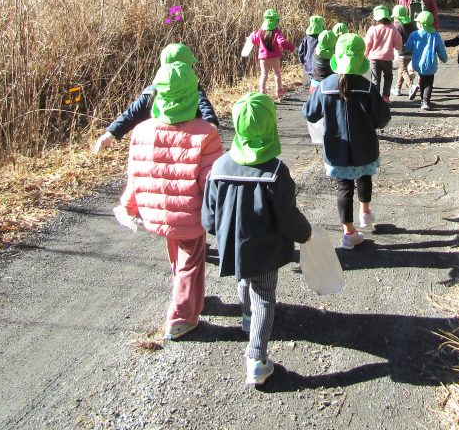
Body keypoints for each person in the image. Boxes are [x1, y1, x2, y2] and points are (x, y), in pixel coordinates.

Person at [202, 92, 313, 387]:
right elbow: (288, 217)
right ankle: (257, 358)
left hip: (233, 246)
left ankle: (248, 319)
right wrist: (305, 233)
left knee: (243, 280)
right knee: (264, 295)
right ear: (271, 127)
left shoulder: (219, 168)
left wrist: (220, 233)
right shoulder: (276, 172)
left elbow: (209, 217)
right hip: (265, 250)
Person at [118, 62, 223, 340]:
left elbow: (135, 174)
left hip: (157, 210)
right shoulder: (205, 133)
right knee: (191, 260)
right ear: (193, 93)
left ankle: (192, 299)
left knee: (178, 254)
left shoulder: (142, 130)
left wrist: (129, 205)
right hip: (190, 213)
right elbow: (211, 183)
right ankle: (181, 317)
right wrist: (222, 214)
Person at [303, 33, 391, 249]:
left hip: (337, 149)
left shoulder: (325, 86)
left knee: (344, 188)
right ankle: (365, 213)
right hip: (365, 147)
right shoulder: (367, 87)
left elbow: (310, 114)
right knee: (364, 177)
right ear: (360, 59)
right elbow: (382, 118)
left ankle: (349, 233)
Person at [93, 43, 217, 153]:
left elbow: (131, 115)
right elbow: (204, 107)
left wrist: (109, 135)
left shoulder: (152, 91)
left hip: (157, 150)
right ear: (188, 67)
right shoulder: (193, 89)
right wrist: (211, 126)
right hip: (186, 149)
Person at [247, 9, 295, 101]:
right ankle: (279, 92)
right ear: (276, 21)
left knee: (264, 75)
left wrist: (252, 36)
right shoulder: (277, 32)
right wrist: (291, 47)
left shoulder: (261, 31)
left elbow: (253, 41)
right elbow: (282, 43)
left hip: (263, 59)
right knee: (277, 73)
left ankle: (262, 93)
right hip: (274, 58)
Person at [405, 11, 448, 110]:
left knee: (422, 81)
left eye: (417, 22)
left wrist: (405, 47)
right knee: (428, 83)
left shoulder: (414, 34)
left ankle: (422, 100)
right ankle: (426, 101)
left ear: (420, 23)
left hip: (418, 64)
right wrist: (444, 58)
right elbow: (441, 49)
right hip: (430, 64)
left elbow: (408, 48)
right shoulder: (435, 35)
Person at [364, 5, 402, 103]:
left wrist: (366, 53)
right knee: (388, 77)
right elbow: (398, 44)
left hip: (374, 59)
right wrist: (399, 49)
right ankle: (385, 96)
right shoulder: (393, 29)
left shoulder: (372, 29)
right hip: (387, 59)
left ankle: (375, 98)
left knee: (375, 79)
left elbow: (367, 43)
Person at [391, 4, 417, 97]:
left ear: (396, 17)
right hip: (412, 51)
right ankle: (397, 88)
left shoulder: (397, 27)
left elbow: (394, 40)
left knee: (403, 70)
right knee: (402, 69)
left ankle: (411, 85)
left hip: (401, 52)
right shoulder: (412, 24)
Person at [296, 15, 325, 85]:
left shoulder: (306, 38)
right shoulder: (323, 39)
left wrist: (302, 60)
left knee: (309, 84)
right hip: (319, 67)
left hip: (308, 66)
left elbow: (301, 51)